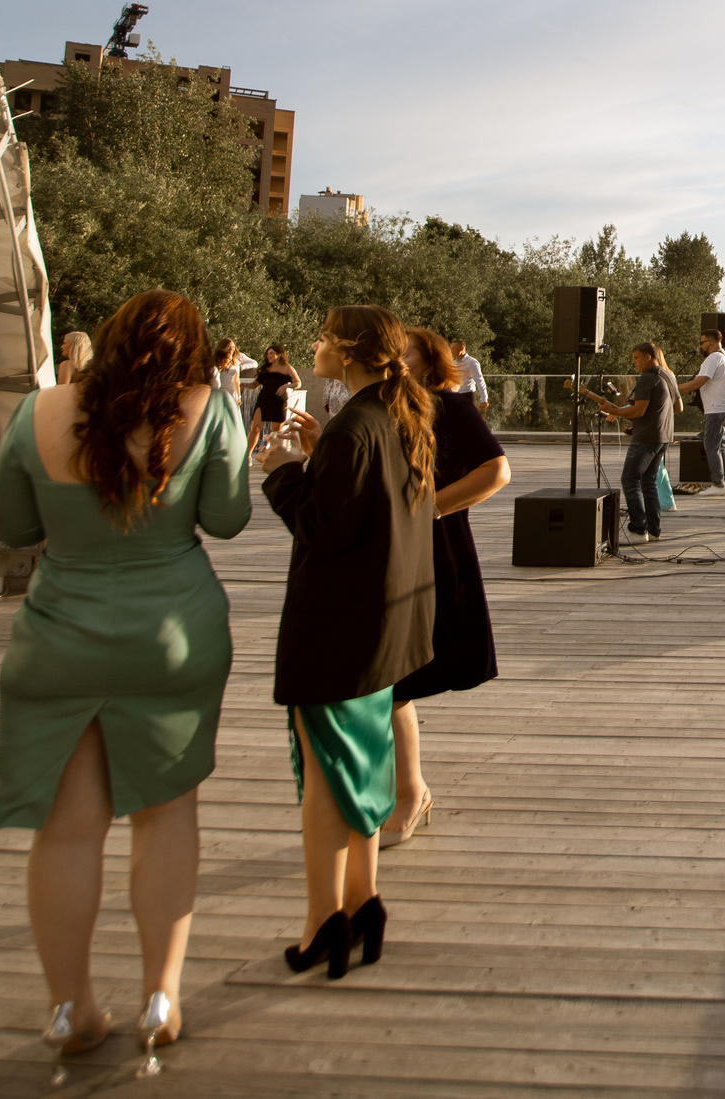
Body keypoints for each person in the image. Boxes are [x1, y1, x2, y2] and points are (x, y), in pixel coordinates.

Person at [0, 291, 253, 1071]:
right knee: (165, 819)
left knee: (67, 829)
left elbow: (12, 526)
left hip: (59, 632)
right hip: (172, 635)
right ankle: (161, 996)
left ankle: (69, 1004)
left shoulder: (39, 411)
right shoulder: (207, 410)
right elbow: (230, 517)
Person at [258, 305, 438, 981]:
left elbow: (322, 525)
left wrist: (281, 468)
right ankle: (364, 904)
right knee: (359, 770)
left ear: (351, 351)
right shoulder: (396, 415)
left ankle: (321, 921)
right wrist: (318, 448)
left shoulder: (355, 427)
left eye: (325, 336)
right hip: (382, 629)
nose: (315, 343)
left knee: (324, 780)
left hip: (336, 632)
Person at [382, 328, 510, 847]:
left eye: (405, 351)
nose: (397, 358)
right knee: (386, 679)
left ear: (429, 361)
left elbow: (498, 470)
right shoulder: (384, 406)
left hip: (431, 548)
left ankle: (410, 794)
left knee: (397, 679)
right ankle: (402, 791)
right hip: (381, 551)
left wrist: (429, 508)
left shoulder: (448, 406)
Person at [581, 343, 675, 548]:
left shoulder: (647, 378)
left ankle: (638, 529)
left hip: (646, 438)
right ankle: (654, 529)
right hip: (664, 436)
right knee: (648, 482)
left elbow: (639, 411)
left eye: (636, 357)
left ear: (649, 357)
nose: (633, 362)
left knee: (630, 480)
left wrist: (616, 411)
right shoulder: (668, 376)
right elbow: (677, 406)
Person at [676, 330, 725, 494]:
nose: (700, 346)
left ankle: (718, 485)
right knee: (720, 444)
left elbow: (698, 382)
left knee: (711, 445)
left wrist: (674, 388)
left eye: (702, 343)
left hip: (717, 410)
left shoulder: (713, 358)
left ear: (710, 343)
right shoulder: (724, 357)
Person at [249, 344, 296, 454]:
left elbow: (297, 383)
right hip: (263, 400)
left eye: (271, 353)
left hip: (278, 401)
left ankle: (274, 455)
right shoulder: (264, 369)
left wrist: (286, 386)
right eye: (267, 354)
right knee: (255, 428)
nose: (268, 356)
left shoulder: (287, 368)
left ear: (279, 354)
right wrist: (243, 385)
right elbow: (255, 384)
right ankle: (247, 456)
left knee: (275, 430)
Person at [447, 339, 489, 413]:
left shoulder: (472, 362)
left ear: (462, 348)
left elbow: (480, 381)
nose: (451, 351)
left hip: (467, 395)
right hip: (455, 396)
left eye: (453, 348)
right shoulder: (454, 363)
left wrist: (484, 399)